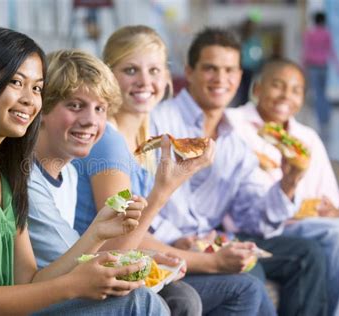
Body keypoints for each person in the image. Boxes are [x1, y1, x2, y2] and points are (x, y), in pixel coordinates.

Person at [0, 26, 167, 315]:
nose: (30, 99)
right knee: (140, 302)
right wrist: (75, 284)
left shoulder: (3, 173)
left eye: (37, 88)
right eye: (15, 82)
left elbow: (31, 280)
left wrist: (98, 232)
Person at [72, 25, 276, 316]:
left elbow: (137, 235)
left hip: (128, 263)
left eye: (154, 71)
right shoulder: (108, 141)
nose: (145, 81)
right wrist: (212, 262)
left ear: (167, 77)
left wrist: (178, 250)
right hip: (97, 273)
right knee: (243, 288)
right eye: (131, 70)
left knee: (246, 283)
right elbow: (119, 241)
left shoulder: (144, 136)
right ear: (108, 76)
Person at [149, 27, 328, 316]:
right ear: (189, 72)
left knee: (309, 254)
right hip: (168, 245)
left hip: (214, 241)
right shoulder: (159, 121)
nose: (221, 79)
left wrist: (289, 181)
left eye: (230, 70)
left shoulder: (236, 142)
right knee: (249, 275)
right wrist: (177, 238)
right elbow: (138, 195)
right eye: (210, 69)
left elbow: (253, 219)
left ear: (240, 78)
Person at [27, 48, 199, 316]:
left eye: (100, 109)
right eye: (75, 105)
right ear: (42, 109)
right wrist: (160, 193)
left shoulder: (69, 173)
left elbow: (74, 257)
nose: (91, 121)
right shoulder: (27, 178)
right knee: (145, 302)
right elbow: (60, 274)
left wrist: (146, 260)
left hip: (58, 289)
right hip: (39, 300)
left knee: (182, 297)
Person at [226, 58, 339, 316]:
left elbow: (332, 206)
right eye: (278, 86)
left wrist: (331, 212)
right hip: (249, 226)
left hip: (302, 227)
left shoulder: (307, 138)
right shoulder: (232, 124)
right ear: (257, 89)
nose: (285, 96)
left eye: (295, 90)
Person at [303, 11, 339, 139]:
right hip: (324, 66)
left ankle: (321, 119)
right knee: (323, 93)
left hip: (313, 66)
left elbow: (306, 51)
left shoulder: (310, 34)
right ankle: (326, 117)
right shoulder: (326, 33)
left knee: (317, 93)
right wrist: (338, 67)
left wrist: (303, 68)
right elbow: (331, 51)